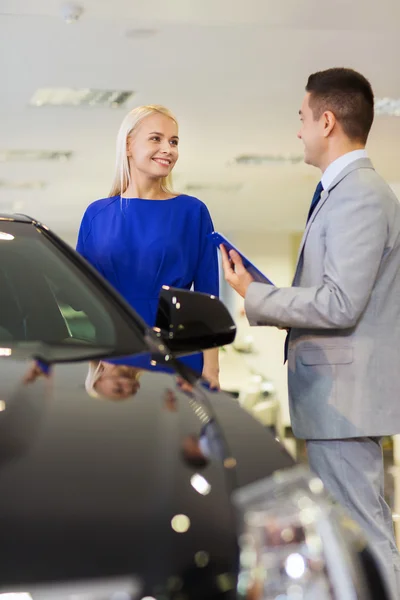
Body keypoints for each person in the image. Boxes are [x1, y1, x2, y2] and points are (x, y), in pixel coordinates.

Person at [221, 67, 400, 594]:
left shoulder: (360, 194)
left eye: (302, 118)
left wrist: (254, 296)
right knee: (355, 532)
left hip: (344, 400)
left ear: (327, 121)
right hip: (336, 401)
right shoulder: (342, 192)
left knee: (366, 533)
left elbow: (340, 304)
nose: (297, 130)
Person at [77, 105, 219, 388]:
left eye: (174, 141)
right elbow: (82, 295)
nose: (168, 149)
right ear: (128, 144)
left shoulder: (192, 212)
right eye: (156, 138)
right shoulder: (97, 214)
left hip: (177, 354)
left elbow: (207, 301)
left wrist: (212, 369)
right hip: (114, 354)